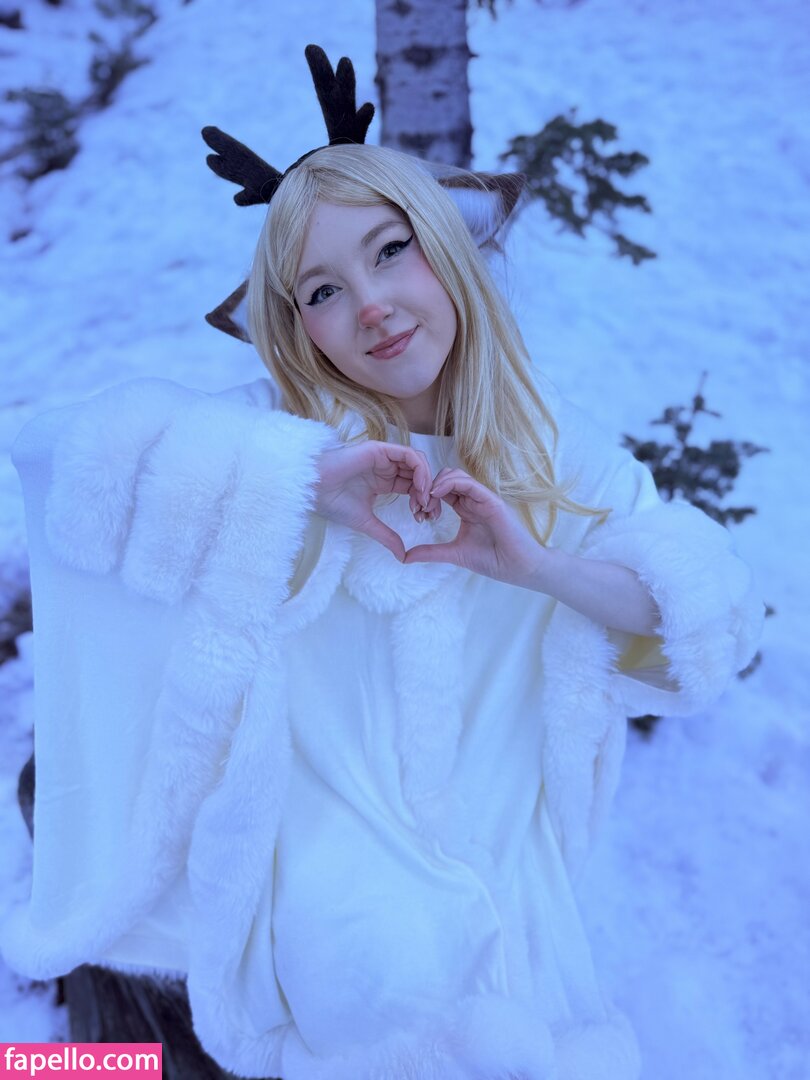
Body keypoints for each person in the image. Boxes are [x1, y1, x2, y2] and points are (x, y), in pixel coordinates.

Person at [1, 51, 762, 1080]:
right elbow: (64, 459)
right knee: (382, 991)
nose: (371, 304)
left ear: (446, 246)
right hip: (324, 870)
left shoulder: (552, 452)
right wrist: (295, 483)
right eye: (323, 289)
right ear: (298, 328)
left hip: (499, 858)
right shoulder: (287, 437)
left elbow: (702, 626)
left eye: (391, 250)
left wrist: (537, 566)